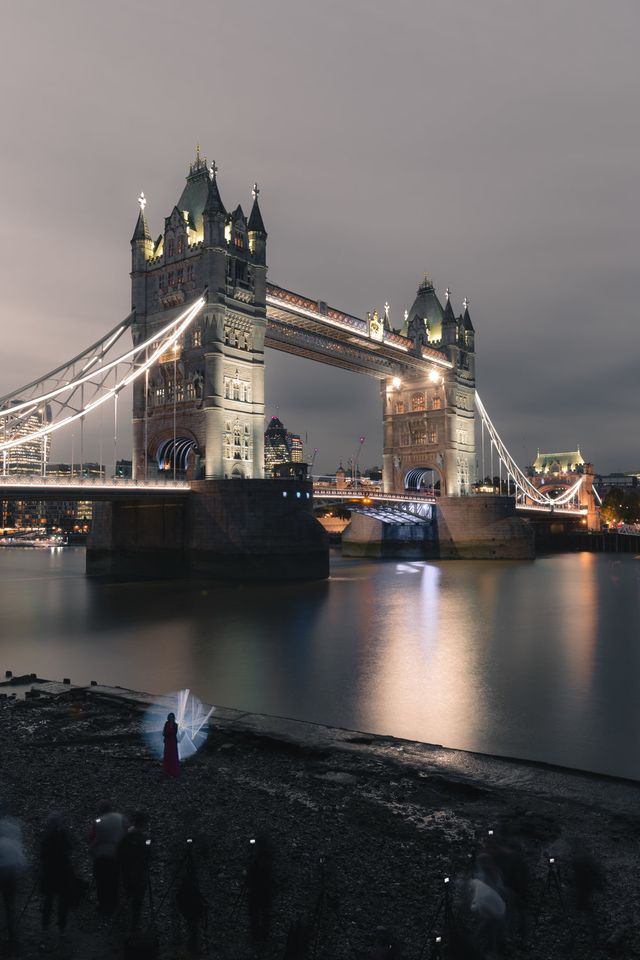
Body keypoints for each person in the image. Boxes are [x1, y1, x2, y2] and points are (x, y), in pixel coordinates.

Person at [40, 813, 75, 938]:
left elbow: (42, 854)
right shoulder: (64, 835)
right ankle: (62, 927)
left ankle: (45, 925)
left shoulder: (46, 837)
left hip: (50, 872)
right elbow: (71, 848)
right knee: (62, 902)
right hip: (63, 872)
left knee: (49, 900)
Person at [88, 802, 126, 916]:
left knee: (101, 881)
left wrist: (91, 848)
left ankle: (103, 905)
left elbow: (91, 836)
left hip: (101, 856)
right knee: (114, 880)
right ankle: (114, 904)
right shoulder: (121, 818)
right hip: (116, 855)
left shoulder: (99, 821)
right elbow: (127, 832)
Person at [118, 812, 150, 931]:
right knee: (137, 901)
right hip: (140, 872)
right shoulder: (145, 838)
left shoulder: (126, 835)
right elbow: (149, 855)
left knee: (126, 895)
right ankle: (134, 924)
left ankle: (122, 920)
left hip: (127, 871)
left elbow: (119, 852)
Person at [0, 818, 27, 950]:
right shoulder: (13, 841)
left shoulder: (5, 841)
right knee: (10, 905)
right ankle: (13, 935)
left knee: (9, 905)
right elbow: (20, 858)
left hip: (5, 871)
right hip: (11, 873)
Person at [246, 834, 273, 942]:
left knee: (256, 913)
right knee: (263, 914)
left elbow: (254, 872)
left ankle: (257, 935)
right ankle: (262, 935)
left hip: (257, 890)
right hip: (264, 891)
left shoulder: (261, 858)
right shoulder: (267, 856)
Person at [162, 712, 180, 777]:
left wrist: (167, 733)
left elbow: (174, 733)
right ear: (168, 718)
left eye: (172, 717)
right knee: (167, 755)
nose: (171, 718)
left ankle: (173, 771)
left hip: (172, 741)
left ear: (173, 718)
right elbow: (163, 732)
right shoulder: (166, 723)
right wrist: (167, 733)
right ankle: (167, 771)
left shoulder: (176, 725)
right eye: (170, 717)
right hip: (168, 741)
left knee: (173, 755)